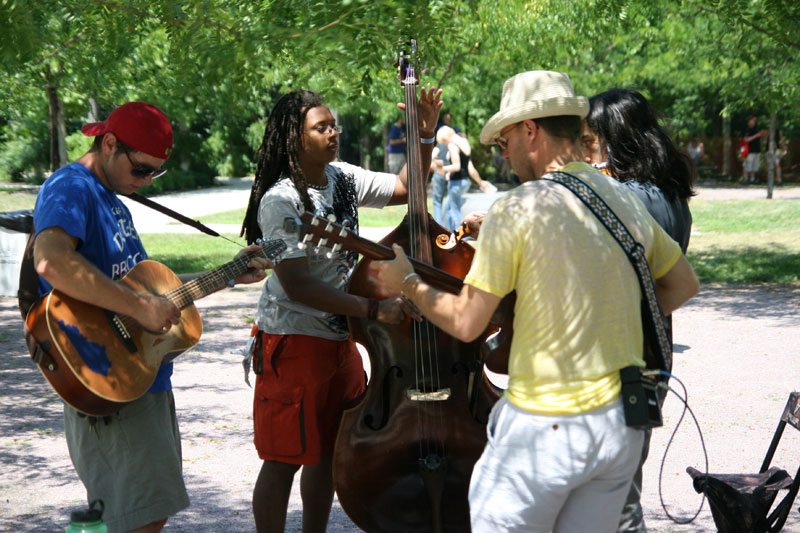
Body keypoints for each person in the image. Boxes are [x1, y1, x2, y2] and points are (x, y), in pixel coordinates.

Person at [373, 70, 699, 532]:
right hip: (619, 431)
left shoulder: (516, 207)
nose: (501, 153)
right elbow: (683, 286)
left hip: (545, 430)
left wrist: (406, 280)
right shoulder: (623, 200)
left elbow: (466, 322)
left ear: (531, 130)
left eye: (503, 140)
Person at [31, 102, 270, 532]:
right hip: (106, 374)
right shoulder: (72, 187)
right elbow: (50, 262)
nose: (146, 181)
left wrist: (228, 275)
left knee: (137, 516)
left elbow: (149, 293)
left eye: (155, 173)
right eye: (142, 169)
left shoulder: (113, 198)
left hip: (139, 376)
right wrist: (140, 308)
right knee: (136, 520)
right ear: (108, 144)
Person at [239, 86, 441, 533]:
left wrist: (424, 136)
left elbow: (407, 188)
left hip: (339, 337)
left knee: (329, 452)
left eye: (334, 125)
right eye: (321, 127)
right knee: (283, 461)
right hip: (293, 341)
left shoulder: (343, 177)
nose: (334, 133)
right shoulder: (280, 200)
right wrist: (374, 309)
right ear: (295, 137)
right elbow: (298, 284)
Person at [582, 88, 696, 533]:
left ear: (616, 138)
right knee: (623, 482)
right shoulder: (668, 194)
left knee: (615, 499)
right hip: (655, 355)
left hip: (623, 362)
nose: (588, 154)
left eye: (591, 142)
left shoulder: (625, 198)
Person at [437, 126, 495, 230]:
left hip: (456, 182)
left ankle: (463, 234)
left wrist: (442, 168)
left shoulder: (452, 145)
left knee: (454, 210)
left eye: (444, 141)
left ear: (446, 137)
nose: (445, 144)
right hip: (465, 181)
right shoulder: (463, 143)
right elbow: (469, 167)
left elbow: (457, 166)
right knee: (449, 207)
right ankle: (451, 232)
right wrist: (480, 182)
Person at [430, 135, 450, 226]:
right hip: (449, 173)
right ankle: (448, 225)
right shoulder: (451, 145)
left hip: (439, 172)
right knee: (448, 201)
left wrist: (436, 163)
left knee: (437, 202)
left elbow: (432, 156)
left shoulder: (439, 145)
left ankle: (439, 225)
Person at [742, 115, 767, 184]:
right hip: (749, 150)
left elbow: (763, 140)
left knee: (754, 166)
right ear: (749, 121)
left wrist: (763, 135)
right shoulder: (746, 128)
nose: (755, 122)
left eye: (755, 120)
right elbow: (746, 140)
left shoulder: (756, 128)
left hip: (757, 149)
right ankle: (746, 179)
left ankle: (753, 179)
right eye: (753, 120)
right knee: (747, 166)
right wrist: (756, 136)